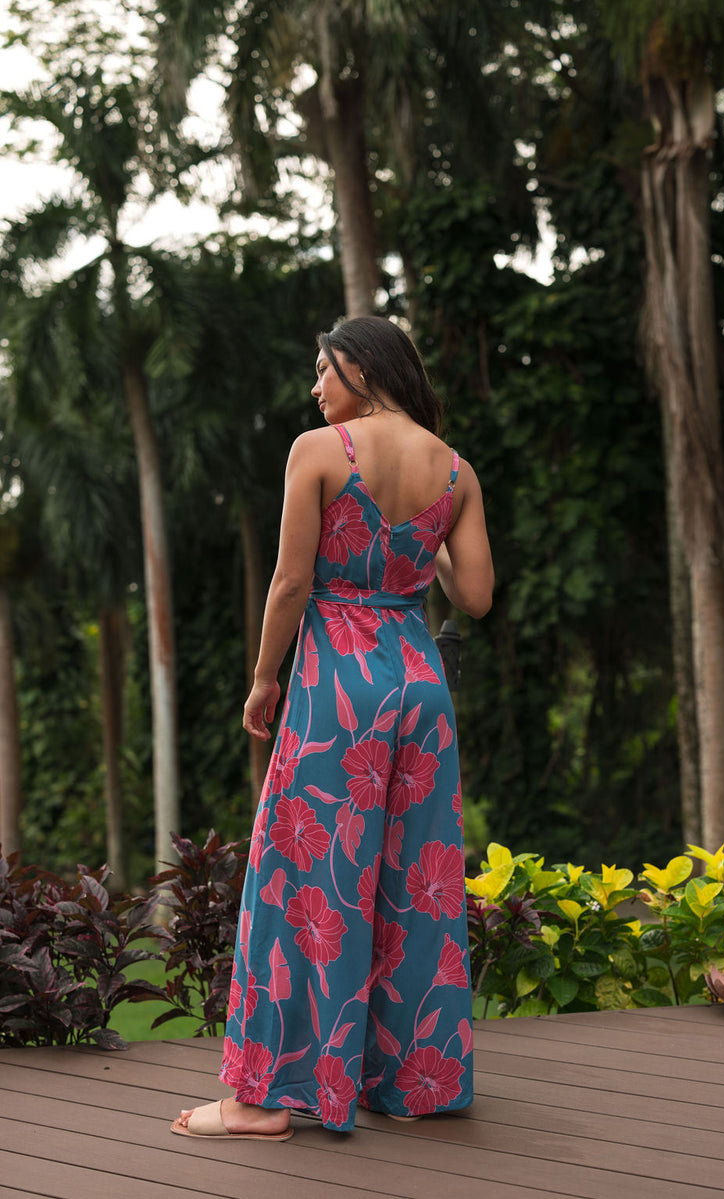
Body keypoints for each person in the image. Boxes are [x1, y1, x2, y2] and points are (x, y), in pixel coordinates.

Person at [171, 315, 493, 1140]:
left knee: (302, 880)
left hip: (336, 685)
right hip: (419, 686)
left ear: (361, 366)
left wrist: (263, 678)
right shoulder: (454, 469)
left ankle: (263, 1098)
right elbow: (476, 595)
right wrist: (429, 529)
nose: (316, 388)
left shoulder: (320, 451)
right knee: (412, 883)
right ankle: (411, 1083)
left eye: (324, 370)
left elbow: (290, 580)